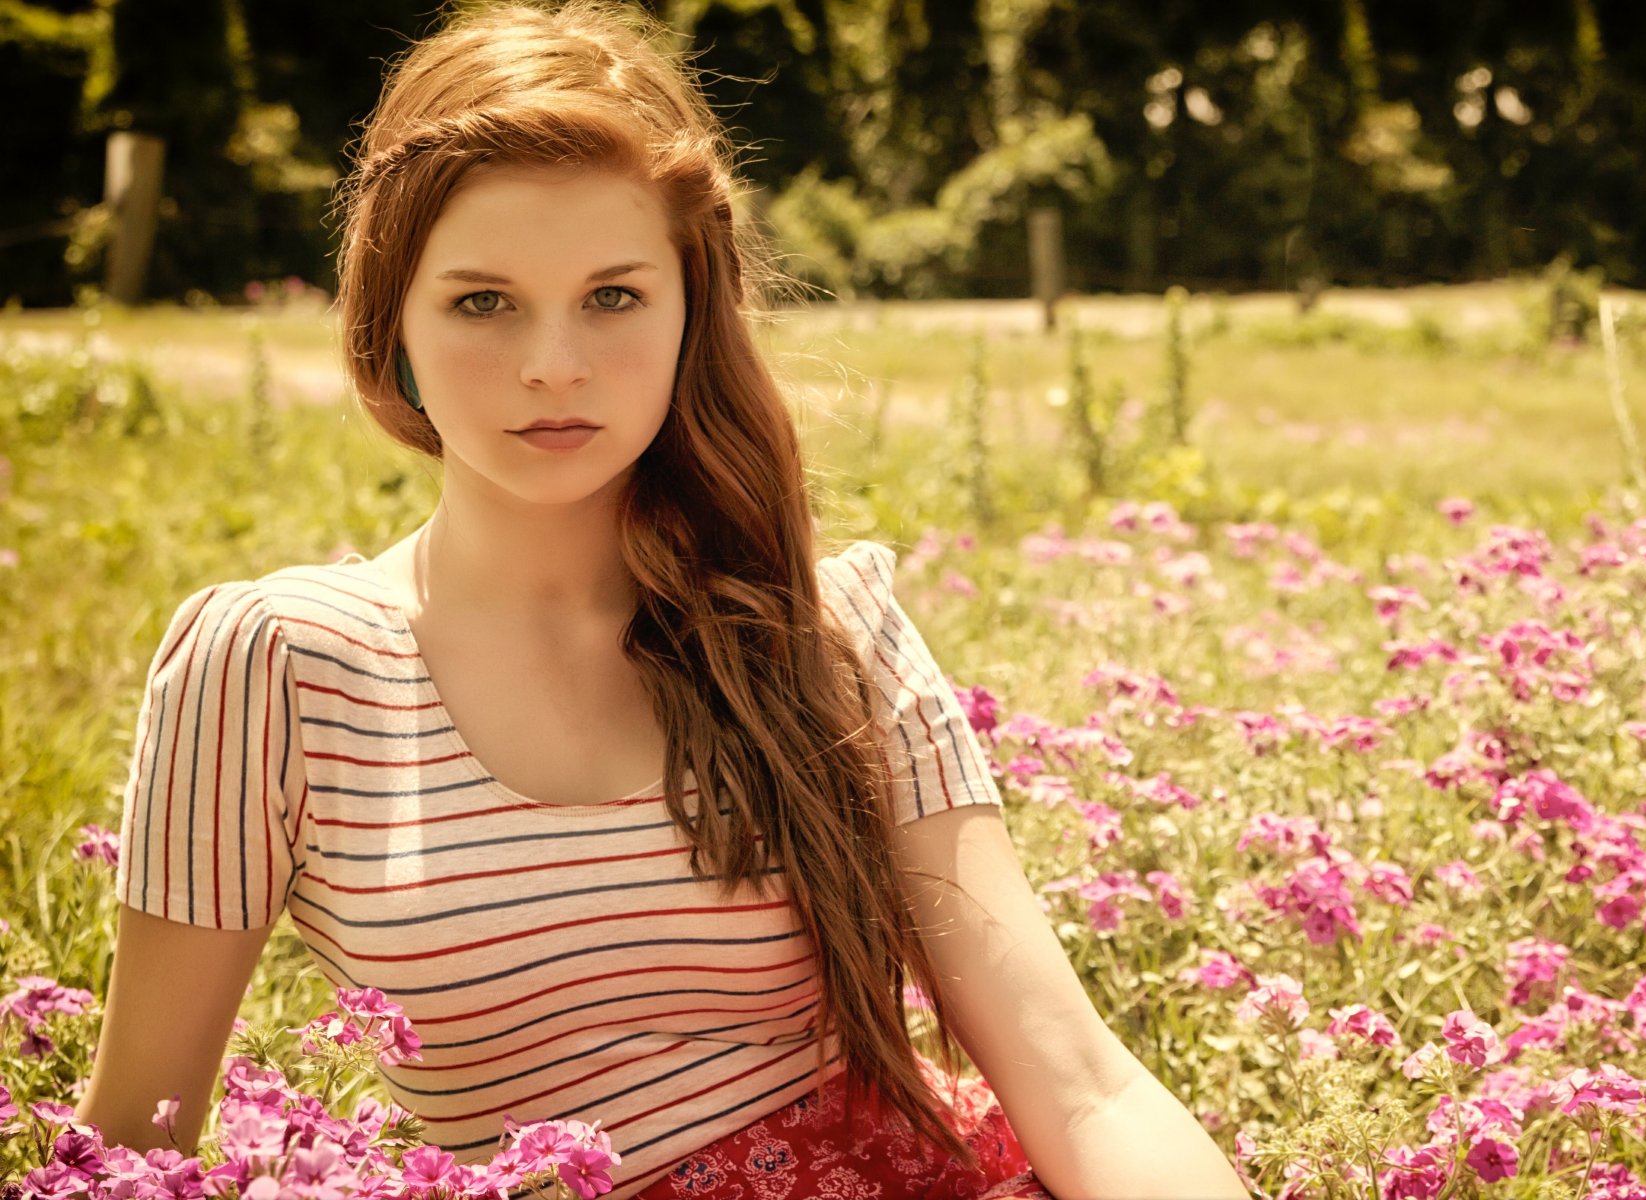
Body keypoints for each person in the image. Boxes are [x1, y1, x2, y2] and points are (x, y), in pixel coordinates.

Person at [73, 2, 1251, 1197]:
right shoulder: (275, 664)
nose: (553, 365)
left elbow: (1078, 1078)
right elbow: (132, 1143)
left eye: (614, 296)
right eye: (482, 302)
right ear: (395, 330)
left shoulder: (825, 632)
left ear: (693, 311)